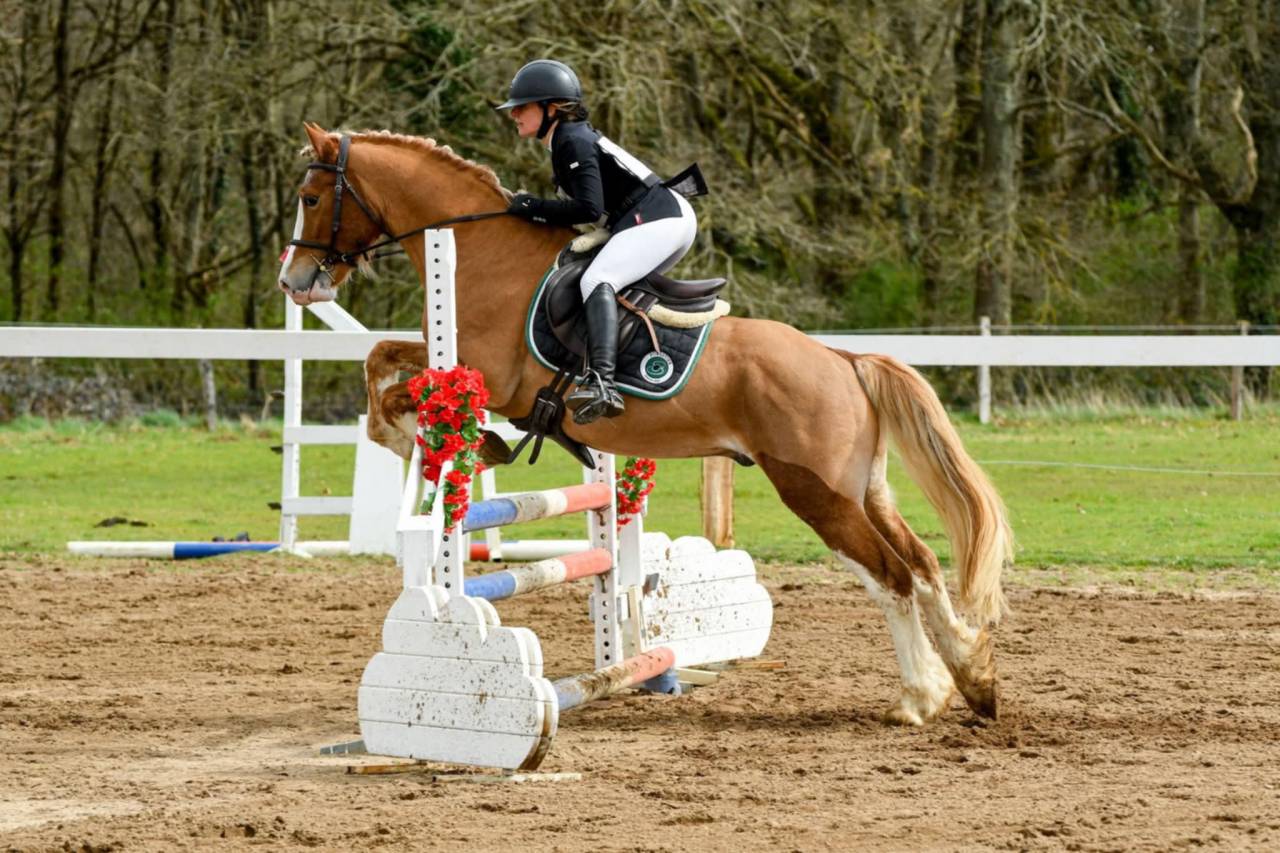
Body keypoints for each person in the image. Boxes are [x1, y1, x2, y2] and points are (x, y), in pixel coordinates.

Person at [496, 59, 701, 426]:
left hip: (658, 219)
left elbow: (588, 207)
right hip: (657, 218)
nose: (513, 114)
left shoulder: (572, 140)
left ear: (551, 108)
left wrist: (533, 207)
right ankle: (615, 368)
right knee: (603, 286)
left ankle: (604, 383)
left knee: (596, 281)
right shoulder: (567, 139)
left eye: (522, 107)